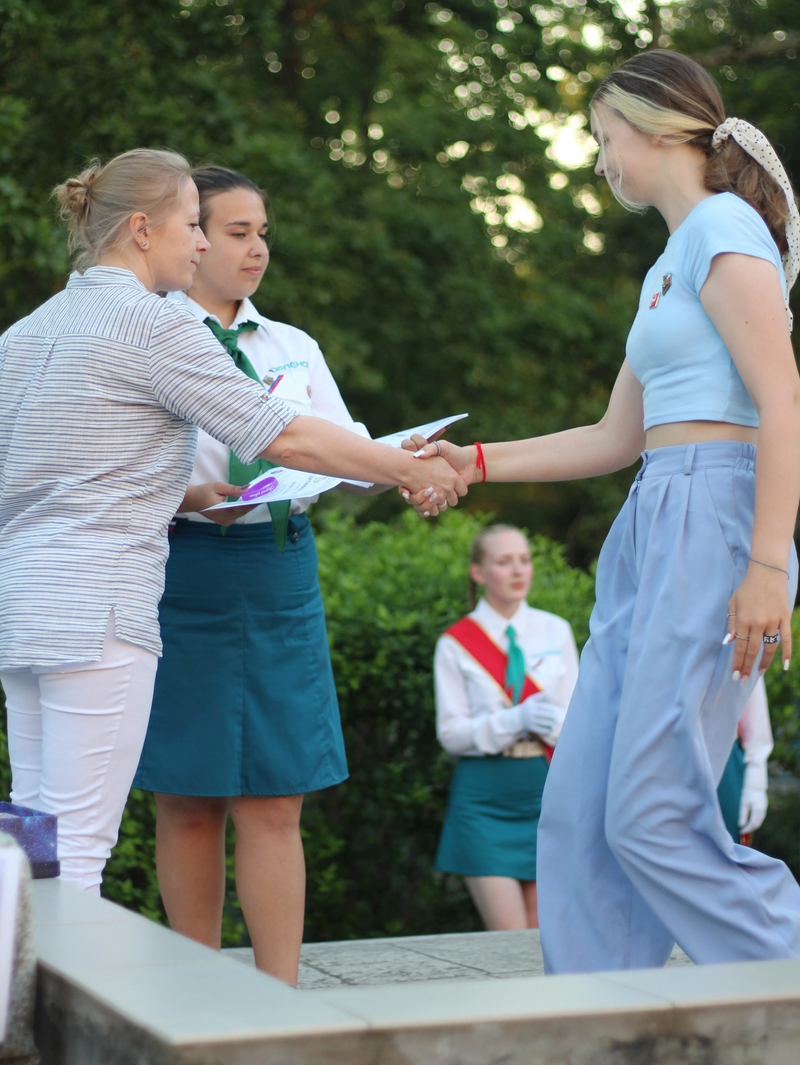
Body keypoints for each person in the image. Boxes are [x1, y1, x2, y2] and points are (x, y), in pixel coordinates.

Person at [407, 49, 800, 969]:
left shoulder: (726, 229)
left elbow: (782, 400)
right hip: (653, 512)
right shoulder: (668, 263)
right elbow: (613, 435)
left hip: (718, 515)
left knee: (652, 812)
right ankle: (601, 1014)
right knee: (582, 807)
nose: (599, 159)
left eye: (602, 137)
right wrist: (472, 462)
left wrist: (766, 565)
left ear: (652, 128)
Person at [0, 148, 464, 896]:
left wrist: (182, 497)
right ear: (143, 230)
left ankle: (17, 977)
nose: (201, 243)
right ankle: (45, 983)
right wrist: (410, 469)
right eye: (193, 225)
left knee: (29, 833)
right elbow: (283, 435)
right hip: (100, 609)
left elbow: (37, 479)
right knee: (79, 846)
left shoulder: (28, 330)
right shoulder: (154, 323)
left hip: (21, 608)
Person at [134, 167, 388, 984]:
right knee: (188, 796)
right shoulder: (146, 333)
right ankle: (198, 996)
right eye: (238, 232)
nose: (257, 249)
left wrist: (404, 462)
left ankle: (279, 1000)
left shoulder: (293, 346)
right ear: (193, 238)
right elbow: (103, 470)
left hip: (280, 571)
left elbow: (345, 452)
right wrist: (189, 496)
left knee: (279, 795)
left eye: (263, 233)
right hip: (182, 572)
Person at [433, 525, 578, 930]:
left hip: (547, 791)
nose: (518, 571)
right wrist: (514, 721)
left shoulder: (556, 630)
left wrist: (552, 723)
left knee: (545, 936)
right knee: (509, 939)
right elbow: (451, 733)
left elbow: (576, 718)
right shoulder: (454, 644)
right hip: (484, 800)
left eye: (525, 560)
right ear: (478, 573)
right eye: (504, 562)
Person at [717, 677, 773, 845]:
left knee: (723, 851)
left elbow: (748, 679)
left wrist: (755, 777)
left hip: (723, 757)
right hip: (660, 753)